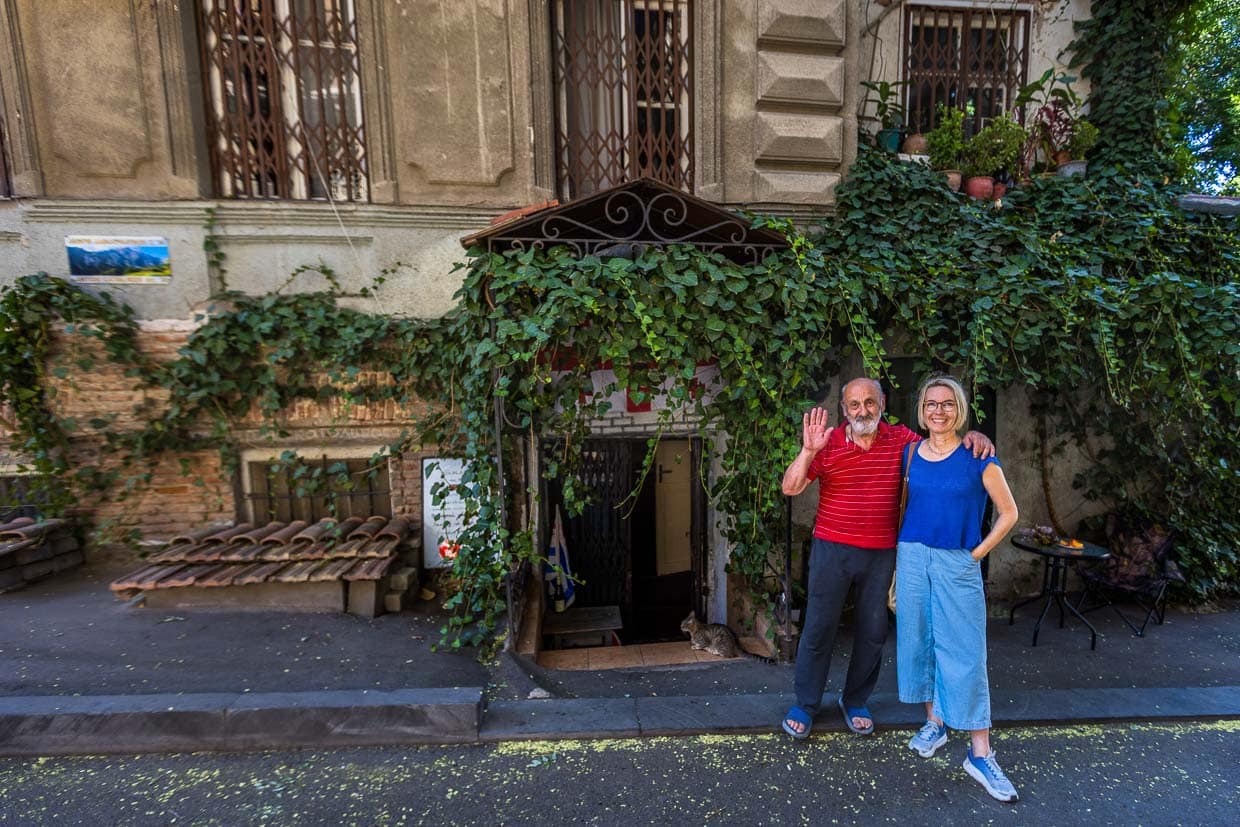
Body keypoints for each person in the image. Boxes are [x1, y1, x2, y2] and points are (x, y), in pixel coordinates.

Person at [779, 377, 993, 740]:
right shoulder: (827, 444)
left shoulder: (903, 441)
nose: (863, 410)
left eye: (870, 402)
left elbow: (940, 446)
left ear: (882, 404)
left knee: (873, 632)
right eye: (854, 405)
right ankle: (806, 704)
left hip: (882, 552)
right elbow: (790, 487)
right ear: (844, 410)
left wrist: (977, 437)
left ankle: (856, 699)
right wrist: (808, 452)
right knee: (818, 628)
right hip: (832, 548)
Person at [896, 375, 1019, 802]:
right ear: (922, 409)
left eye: (947, 404)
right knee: (920, 642)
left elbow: (1009, 513)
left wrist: (976, 554)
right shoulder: (911, 452)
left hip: (957, 560)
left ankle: (980, 753)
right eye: (931, 403)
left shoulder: (978, 456)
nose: (939, 410)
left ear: (960, 409)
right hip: (912, 557)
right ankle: (936, 722)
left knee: (965, 652)